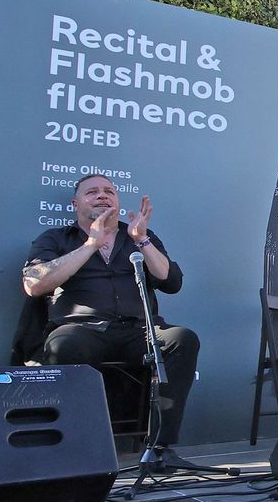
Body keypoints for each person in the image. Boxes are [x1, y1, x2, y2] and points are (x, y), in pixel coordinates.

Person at [23, 173, 200, 448]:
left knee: (182, 339)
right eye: (92, 192)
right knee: (65, 344)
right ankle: (77, 449)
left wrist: (142, 240)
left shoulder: (140, 236)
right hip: (82, 330)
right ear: (75, 203)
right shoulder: (57, 238)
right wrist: (91, 244)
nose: (102, 195)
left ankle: (160, 450)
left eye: (109, 191)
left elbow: (171, 282)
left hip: (138, 330)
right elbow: (34, 285)